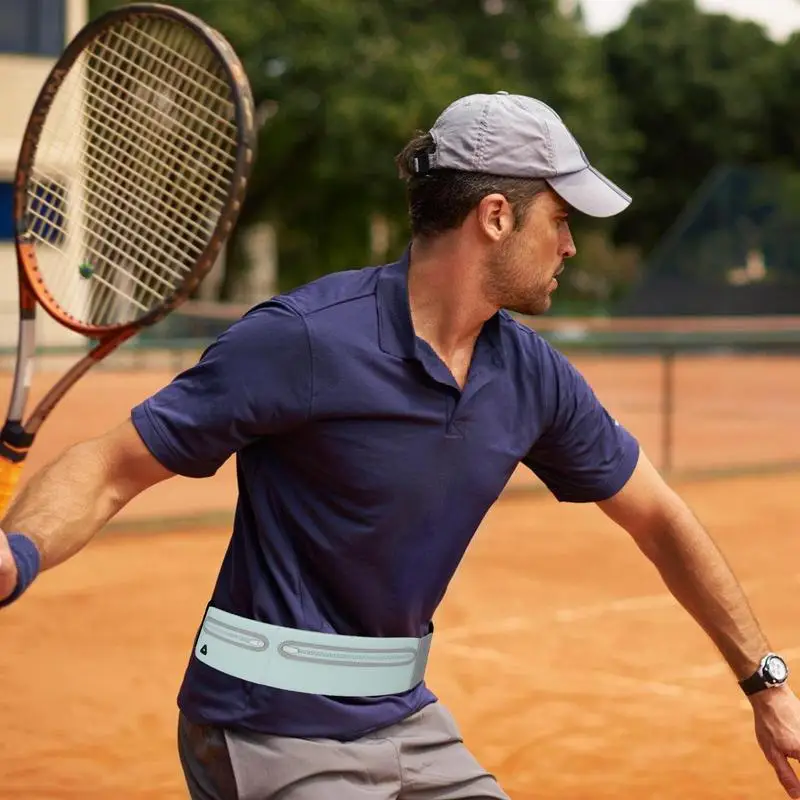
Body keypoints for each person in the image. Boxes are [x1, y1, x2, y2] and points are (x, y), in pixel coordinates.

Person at [1, 91, 799, 800]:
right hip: (266, 726)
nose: (571, 247)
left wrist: (765, 682)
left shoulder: (530, 375)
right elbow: (111, 465)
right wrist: (21, 552)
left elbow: (658, 515)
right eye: (561, 220)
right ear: (494, 216)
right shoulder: (306, 341)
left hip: (404, 725)